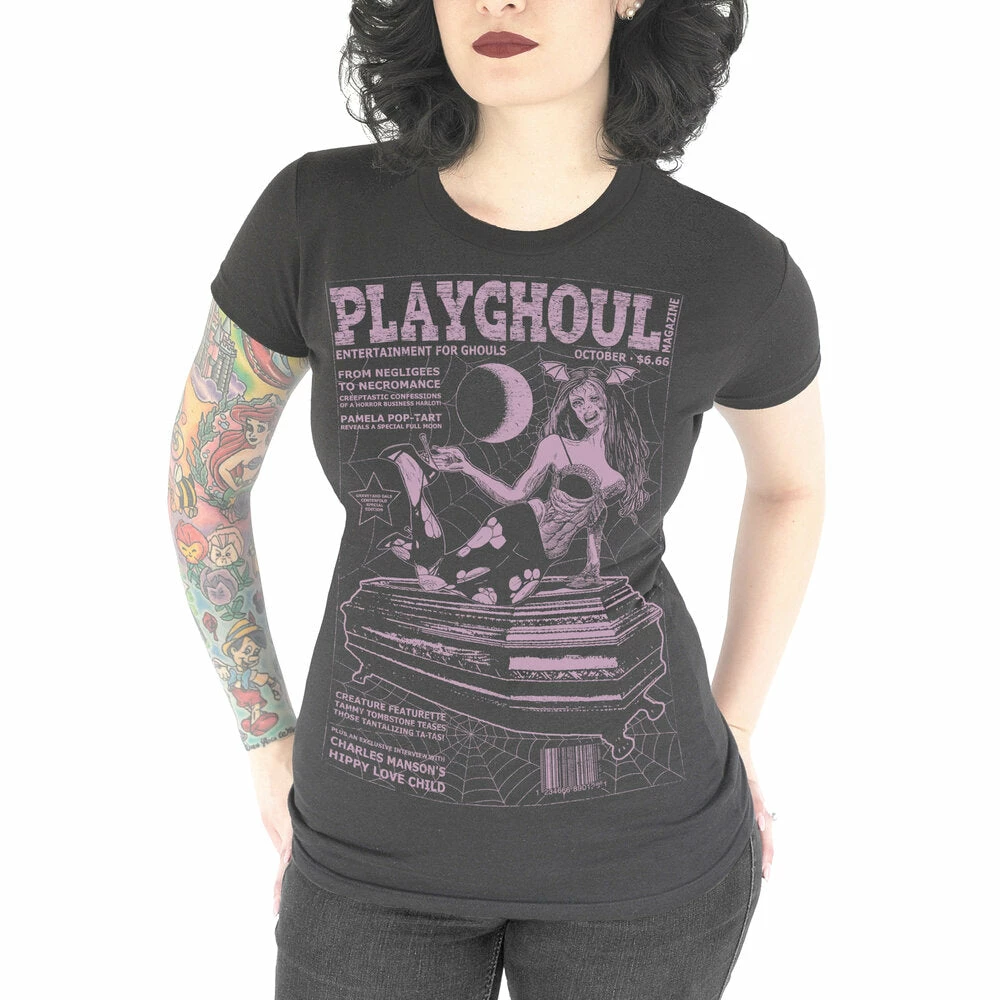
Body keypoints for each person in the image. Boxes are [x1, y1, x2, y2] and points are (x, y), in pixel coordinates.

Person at [167, 1, 825, 997]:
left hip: (647, 876)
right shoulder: (316, 217)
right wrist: (265, 738)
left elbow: (791, 485)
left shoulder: (733, 267)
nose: (497, 1)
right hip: (366, 868)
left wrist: (733, 724)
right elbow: (205, 484)